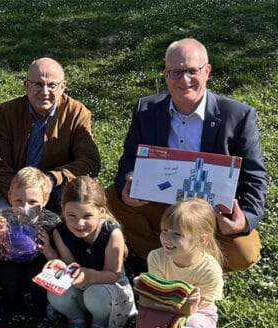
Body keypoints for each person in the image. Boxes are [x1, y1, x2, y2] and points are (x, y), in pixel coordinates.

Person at [106, 38, 268, 272]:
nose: (184, 80)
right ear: (166, 75)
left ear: (207, 71)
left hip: (210, 212)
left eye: (192, 71)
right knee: (112, 199)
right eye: (176, 72)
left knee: (244, 254)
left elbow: (255, 177)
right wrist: (127, 182)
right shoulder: (146, 109)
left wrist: (246, 219)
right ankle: (165, 258)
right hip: (160, 200)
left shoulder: (238, 115)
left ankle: (192, 260)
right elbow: (130, 158)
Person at [0, 57, 100, 225]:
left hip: (57, 190)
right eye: (38, 85)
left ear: (63, 87)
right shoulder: (9, 111)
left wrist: (54, 178)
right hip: (17, 190)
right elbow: (0, 163)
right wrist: (17, 197)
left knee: (65, 222)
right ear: (26, 85)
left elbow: (90, 162)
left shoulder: (77, 113)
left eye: (52, 85)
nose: (45, 92)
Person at [45, 176, 136, 328]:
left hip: (108, 291)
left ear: (101, 212)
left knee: (95, 294)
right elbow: (71, 266)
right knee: (55, 291)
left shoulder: (111, 233)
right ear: (63, 209)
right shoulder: (60, 232)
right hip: (82, 287)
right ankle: (76, 318)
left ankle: (100, 323)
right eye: (71, 216)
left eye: (87, 216)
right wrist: (60, 265)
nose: (79, 223)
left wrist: (87, 275)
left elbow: (113, 275)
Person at [131, 198, 224, 328]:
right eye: (164, 230)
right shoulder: (156, 257)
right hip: (166, 307)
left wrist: (191, 303)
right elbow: (156, 294)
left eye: (177, 234)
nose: (167, 238)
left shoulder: (209, 269)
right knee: (152, 311)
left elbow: (203, 305)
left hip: (196, 313)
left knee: (194, 325)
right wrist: (145, 286)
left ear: (201, 239)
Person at [0, 167, 60, 320]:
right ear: (10, 197)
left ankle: (40, 310)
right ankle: (13, 306)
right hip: (14, 260)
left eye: (33, 202)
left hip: (38, 261)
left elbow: (59, 262)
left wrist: (48, 249)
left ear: (45, 200)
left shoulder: (50, 222)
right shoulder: (6, 219)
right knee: (8, 273)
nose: (25, 208)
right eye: (19, 201)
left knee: (38, 275)